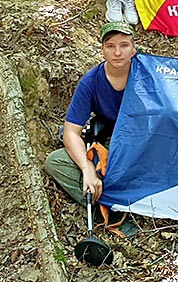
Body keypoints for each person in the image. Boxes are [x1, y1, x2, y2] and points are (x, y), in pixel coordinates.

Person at [44, 22, 136, 206]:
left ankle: (119, 198)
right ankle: (105, 204)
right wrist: (87, 169)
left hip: (141, 145)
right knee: (55, 162)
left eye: (124, 45)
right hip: (111, 145)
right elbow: (71, 132)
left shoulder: (147, 73)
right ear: (102, 50)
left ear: (134, 49)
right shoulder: (91, 82)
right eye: (110, 46)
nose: (117, 53)